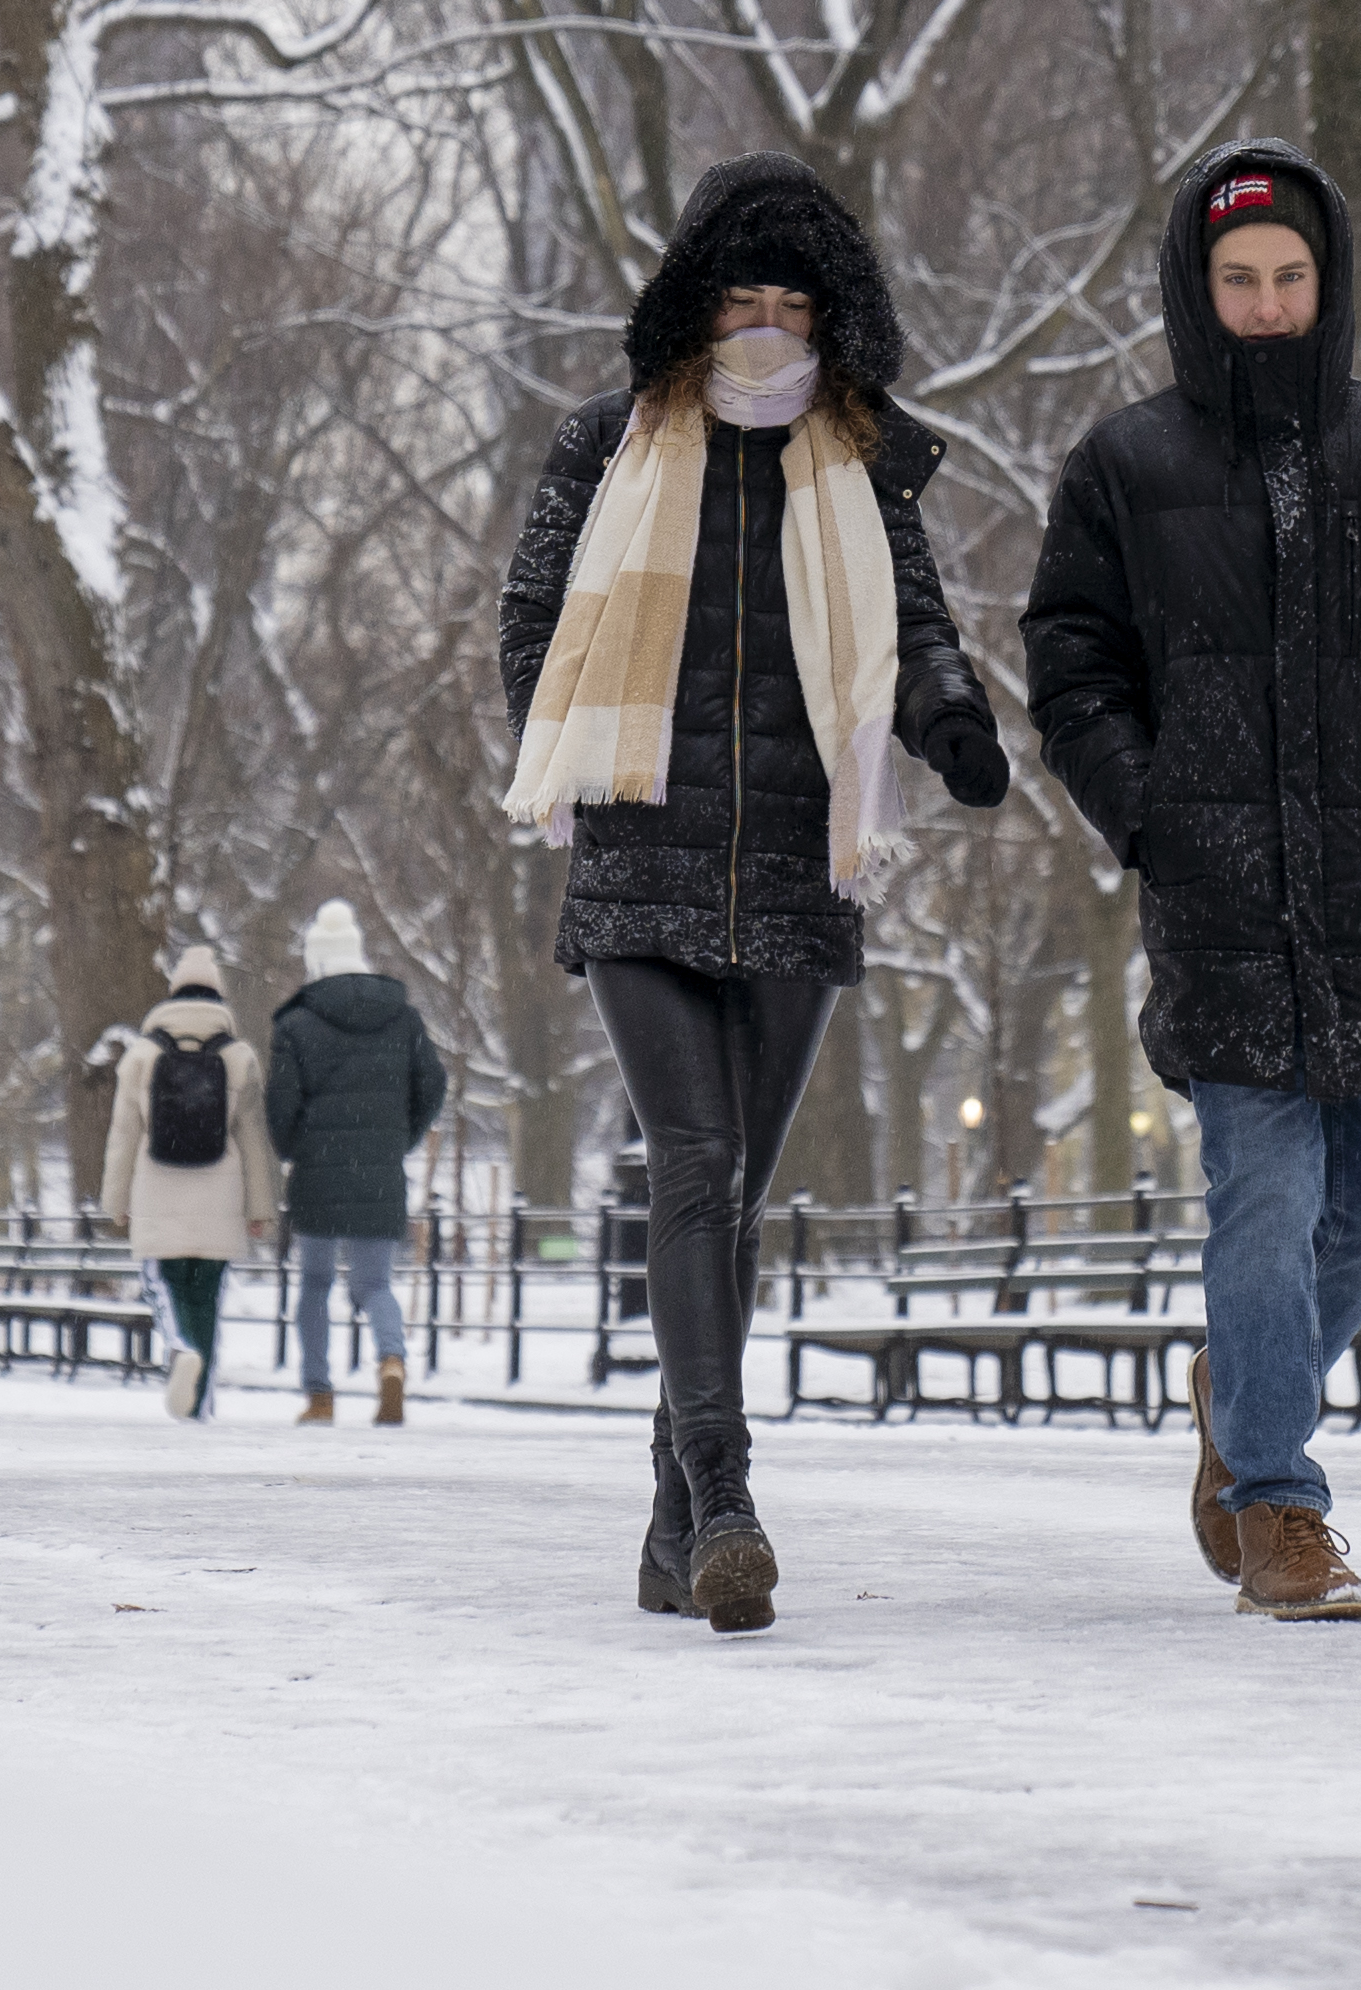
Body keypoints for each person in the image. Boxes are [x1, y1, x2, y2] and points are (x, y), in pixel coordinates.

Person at [1021, 142, 1361, 1623]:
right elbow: (1071, 663)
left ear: (1328, 284)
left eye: (1288, 277)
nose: (1264, 303)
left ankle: (1240, 1384)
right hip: (1221, 895)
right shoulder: (1126, 464)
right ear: (1199, 288)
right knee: (1266, 1194)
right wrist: (1156, 814)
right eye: (1237, 279)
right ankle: (1278, 1504)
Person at [498, 154, 1009, 1631]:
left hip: (796, 866)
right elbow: (535, 613)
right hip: (644, 855)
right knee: (697, 1165)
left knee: (733, 1198)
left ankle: (671, 1525)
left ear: (832, 311)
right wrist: (579, 730)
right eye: (744, 294)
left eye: (795, 298)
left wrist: (952, 723)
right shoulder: (609, 446)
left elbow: (913, 626)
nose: (768, 322)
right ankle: (725, 1490)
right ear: (693, 302)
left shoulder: (855, 462)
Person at [268, 900, 449, 1426]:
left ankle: (320, 1395)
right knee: (375, 1285)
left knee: (315, 1285)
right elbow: (433, 1086)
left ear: (316, 961)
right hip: (380, 1170)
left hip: (317, 1171)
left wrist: (294, 1150)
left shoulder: (296, 1024)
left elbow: (280, 1103)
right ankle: (391, 1360)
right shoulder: (403, 1018)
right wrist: (399, 1137)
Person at [102, 944, 274, 1419]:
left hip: (158, 1197)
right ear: (217, 997)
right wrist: (261, 1208)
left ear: (174, 993)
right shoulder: (239, 1056)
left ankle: (180, 1351)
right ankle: (201, 1404)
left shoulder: (142, 1054)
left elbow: (123, 1134)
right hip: (220, 1198)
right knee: (206, 1303)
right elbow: (255, 1138)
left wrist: (116, 1200)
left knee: (167, 1291)